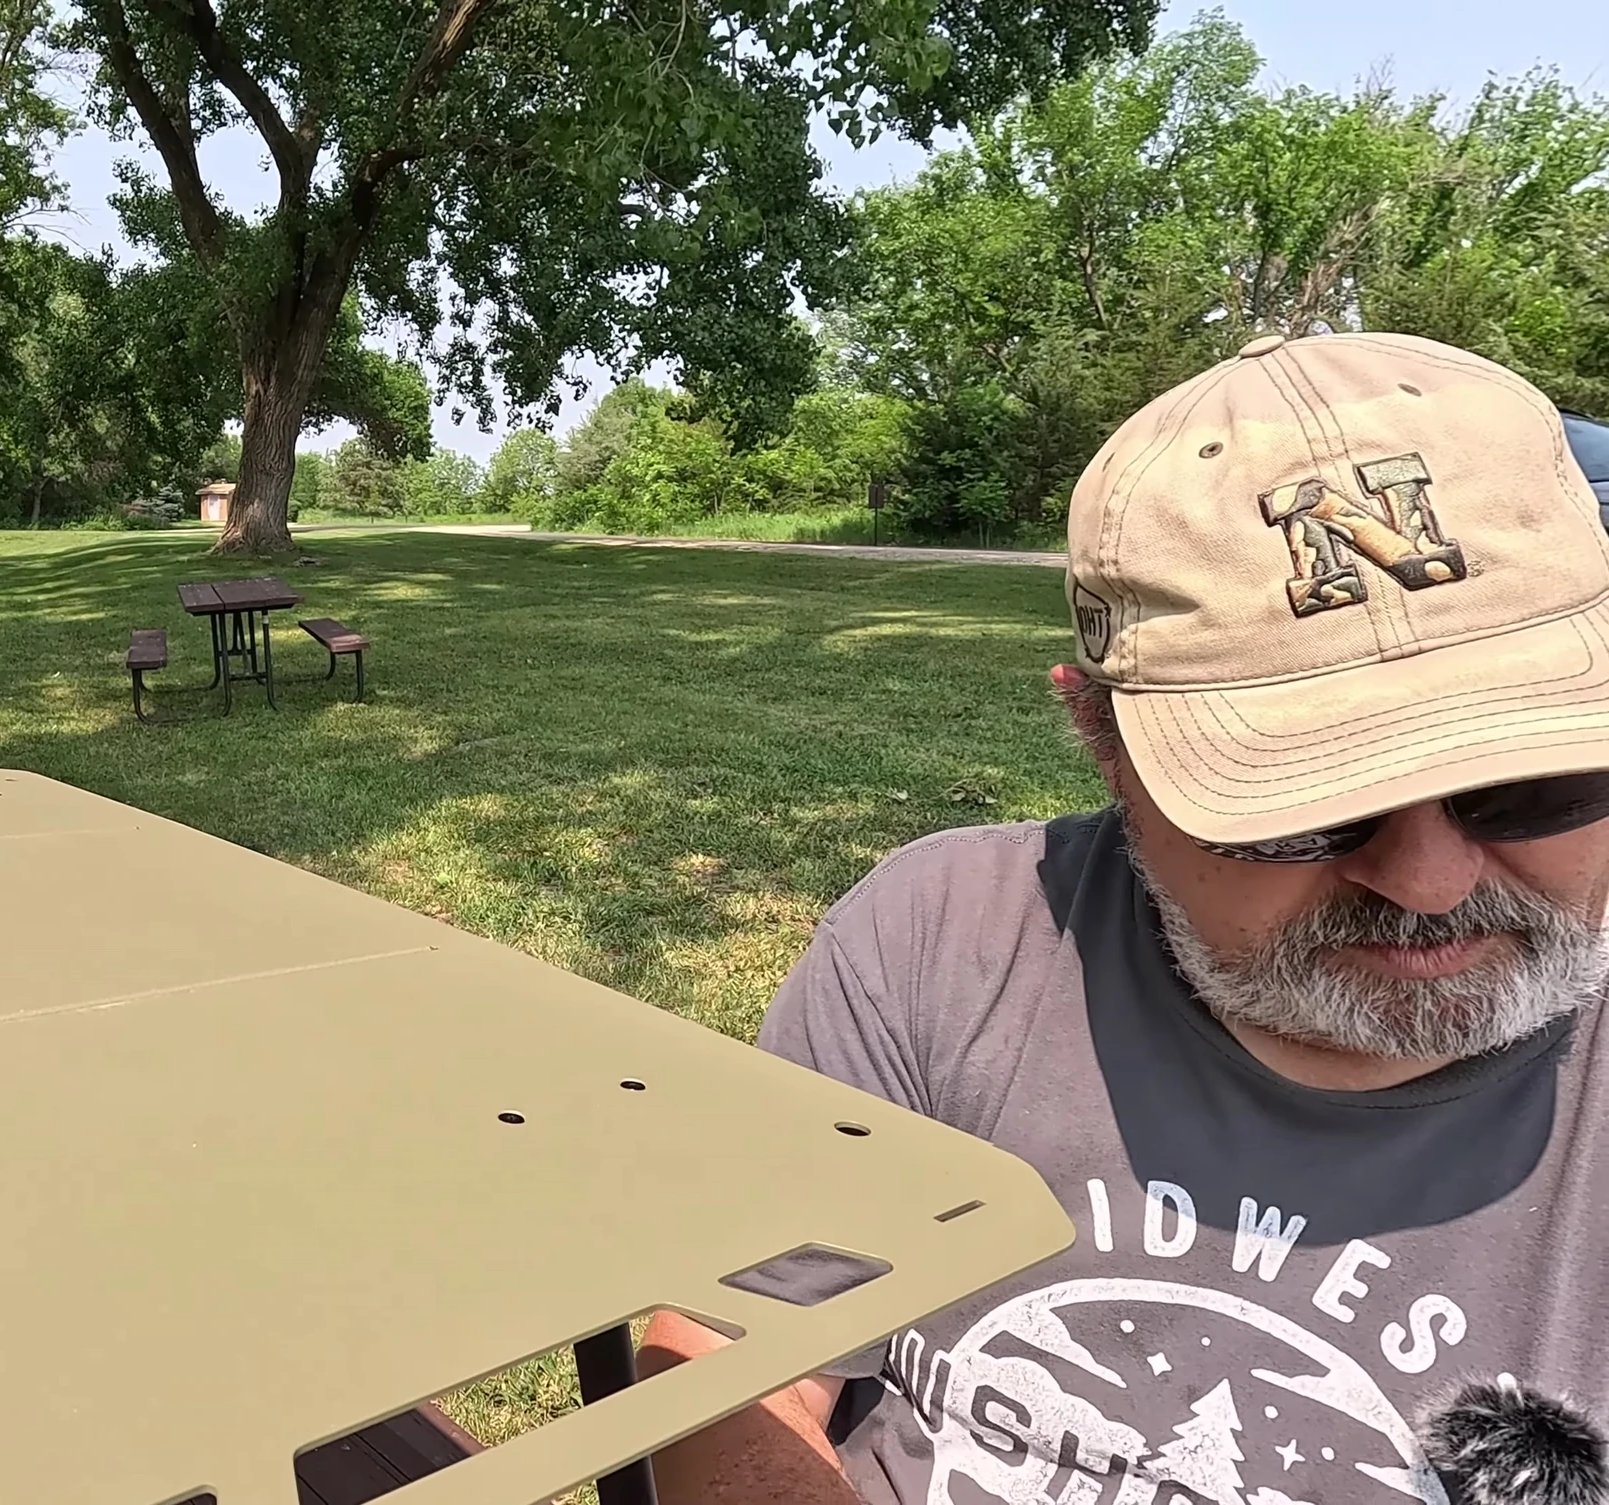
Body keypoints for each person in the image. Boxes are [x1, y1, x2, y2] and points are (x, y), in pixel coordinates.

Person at [644, 332, 1609, 1505]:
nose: (1427, 879)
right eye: (1306, 808)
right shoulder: (937, 939)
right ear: (1100, 739)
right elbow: (731, 1358)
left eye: (1533, 779)